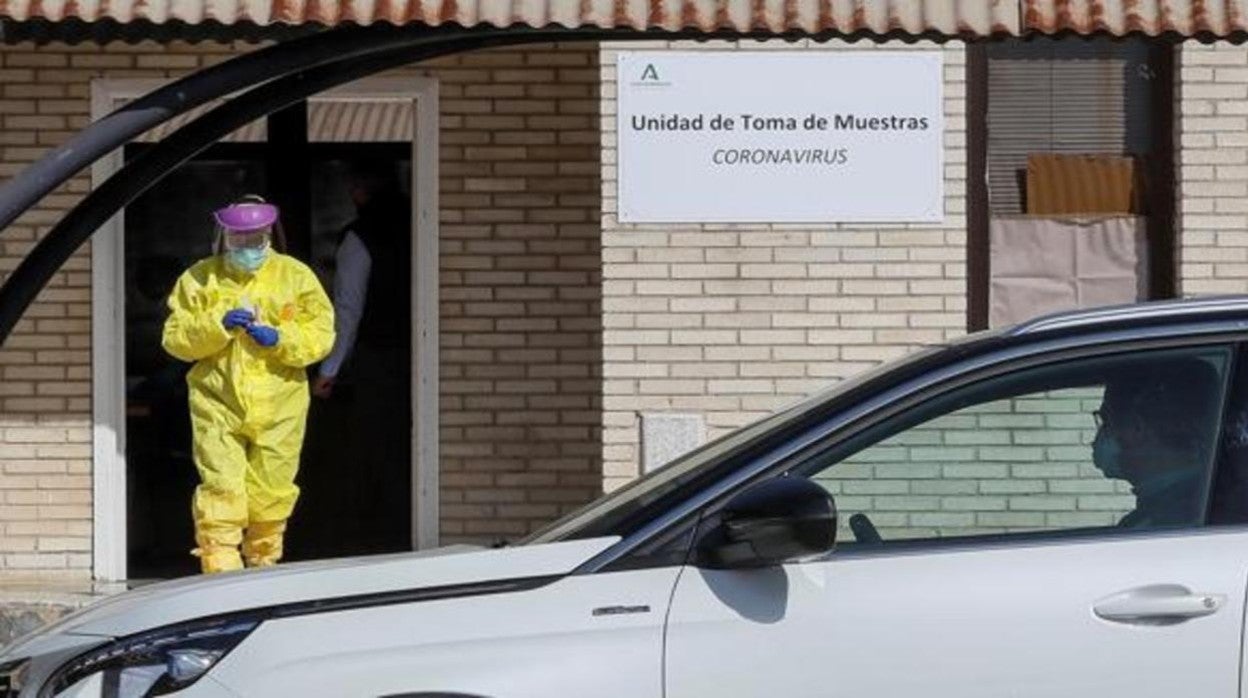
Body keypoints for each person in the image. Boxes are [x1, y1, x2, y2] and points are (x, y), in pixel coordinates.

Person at [162, 196, 335, 574]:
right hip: (217, 403)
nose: (247, 248)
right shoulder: (199, 278)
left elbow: (321, 335)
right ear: (224, 236)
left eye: (255, 239)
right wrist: (217, 325)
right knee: (222, 487)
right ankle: (220, 571)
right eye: (239, 239)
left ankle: (263, 565)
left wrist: (280, 338)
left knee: (272, 490)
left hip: (280, 404)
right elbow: (175, 339)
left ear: (269, 235)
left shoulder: (295, 277)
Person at [1091, 356, 1224, 528]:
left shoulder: (1164, 524)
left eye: (1106, 421)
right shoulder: (1206, 505)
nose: (1100, 434)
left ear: (1138, 427)